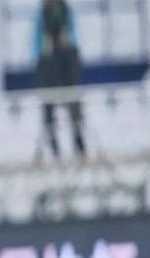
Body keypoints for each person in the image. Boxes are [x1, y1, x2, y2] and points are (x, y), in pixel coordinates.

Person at [34, 0, 85, 158]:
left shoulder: (66, 11)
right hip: (49, 70)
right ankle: (53, 145)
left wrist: (68, 41)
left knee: (74, 105)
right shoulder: (41, 14)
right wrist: (44, 48)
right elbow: (35, 45)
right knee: (48, 109)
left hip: (66, 69)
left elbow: (75, 38)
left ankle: (78, 142)